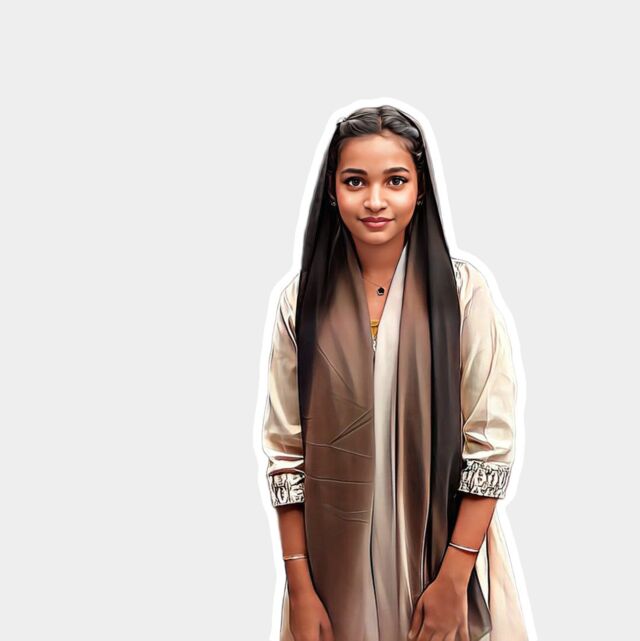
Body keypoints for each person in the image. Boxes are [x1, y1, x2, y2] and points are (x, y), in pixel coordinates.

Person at [261, 104, 530, 641]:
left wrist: (453, 579)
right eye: (355, 181)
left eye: (396, 180)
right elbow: (286, 455)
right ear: (332, 190)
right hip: (332, 575)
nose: (375, 200)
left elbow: (490, 447)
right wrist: (300, 588)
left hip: (444, 562)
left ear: (421, 189)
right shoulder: (302, 303)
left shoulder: (461, 294)